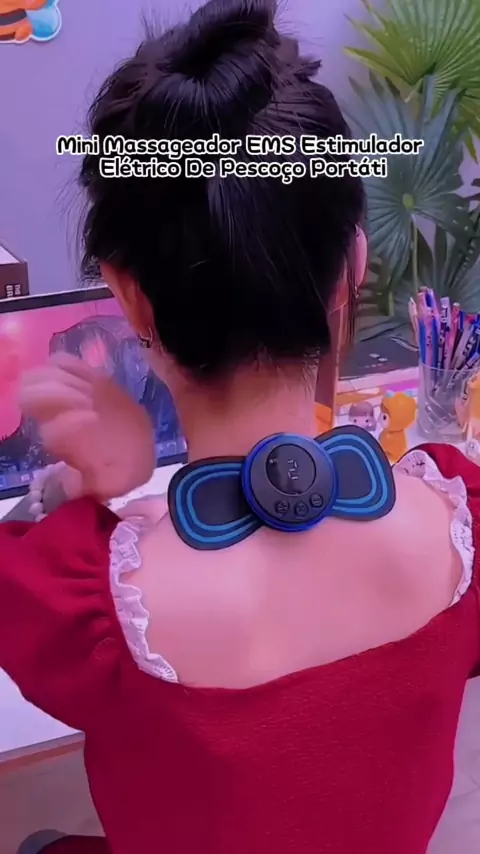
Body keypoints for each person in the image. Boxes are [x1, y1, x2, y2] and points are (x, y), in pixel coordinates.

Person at [1, 1, 479, 852]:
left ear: (128, 295)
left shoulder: (90, 603)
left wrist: (87, 487)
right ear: (354, 267)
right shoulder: (460, 524)